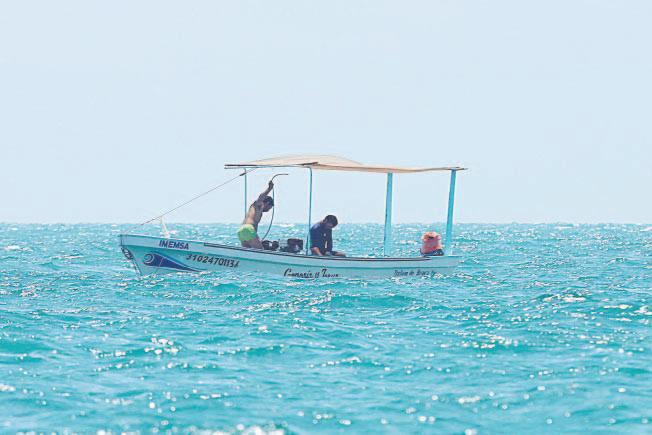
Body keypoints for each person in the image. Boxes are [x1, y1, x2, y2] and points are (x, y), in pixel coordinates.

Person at [237, 180, 274, 249]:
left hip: (241, 230)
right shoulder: (259, 205)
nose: (269, 210)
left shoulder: (256, 210)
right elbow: (260, 198)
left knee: (248, 253)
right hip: (248, 229)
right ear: (267, 203)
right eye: (270, 207)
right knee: (260, 252)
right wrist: (269, 189)